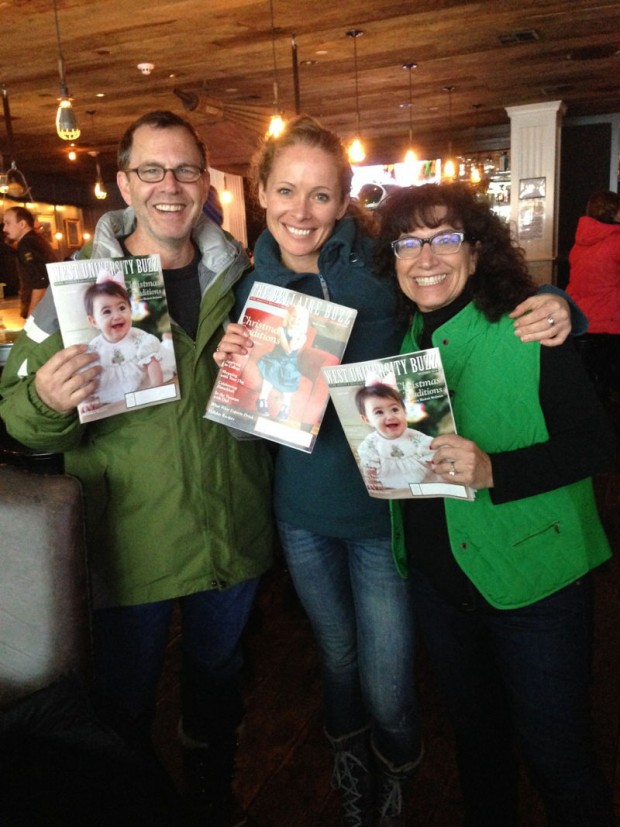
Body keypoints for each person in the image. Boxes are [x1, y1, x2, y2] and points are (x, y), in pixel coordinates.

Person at [214, 114, 576, 827]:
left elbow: (482, 298)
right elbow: (245, 402)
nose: (301, 210)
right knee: (338, 657)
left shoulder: (381, 268)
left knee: (386, 678)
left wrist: (563, 308)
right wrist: (231, 362)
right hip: (301, 513)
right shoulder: (246, 286)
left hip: (387, 512)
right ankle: (354, 767)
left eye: (322, 195)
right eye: (286, 190)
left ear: (345, 199)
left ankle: (399, 766)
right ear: (260, 193)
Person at [0, 110, 274, 827]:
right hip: (130, 542)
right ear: (124, 182)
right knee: (124, 700)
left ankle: (212, 790)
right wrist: (43, 396)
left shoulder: (243, 276)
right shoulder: (71, 294)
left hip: (230, 529)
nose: (170, 185)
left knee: (218, 678)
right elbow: (15, 419)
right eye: (150, 169)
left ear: (205, 180)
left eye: (185, 168)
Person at [375, 182, 616, 827]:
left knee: (557, 758)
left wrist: (494, 469)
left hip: (534, 583)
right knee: (478, 748)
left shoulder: (531, 326)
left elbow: (596, 443)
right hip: (439, 582)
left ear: (476, 253)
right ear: (393, 260)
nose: (427, 258)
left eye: (445, 238)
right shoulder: (401, 345)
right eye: (409, 243)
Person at [567, 189, 620, 404]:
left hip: (580, 323)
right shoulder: (616, 242)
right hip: (610, 325)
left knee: (592, 390)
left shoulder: (580, 243)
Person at [83, 278, 164, 407]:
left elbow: (152, 362)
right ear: (94, 321)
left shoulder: (138, 337)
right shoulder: (95, 348)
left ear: (130, 310)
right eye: (107, 311)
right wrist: (88, 401)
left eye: (122, 308)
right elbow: (87, 377)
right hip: (109, 397)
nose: (117, 316)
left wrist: (156, 387)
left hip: (141, 389)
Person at [354, 381, 441, 493]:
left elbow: (429, 452)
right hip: (389, 484)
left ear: (404, 411)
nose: (390, 416)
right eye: (379, 412)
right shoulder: (371, 443)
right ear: (367, 420)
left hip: (421, 479)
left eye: (395, 409)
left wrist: (434, 466)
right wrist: (371, 480)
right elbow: (369, 465)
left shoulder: (413, 436)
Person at [256, 303, 309, 419]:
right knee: (272, 368)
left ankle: (285, 406)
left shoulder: (303, 336)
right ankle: (262, 399)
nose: (296, 320)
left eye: (300, 319)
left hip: (290, 362)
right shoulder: (280, 329)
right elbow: (287, 349)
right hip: (275, 357)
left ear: (304, 322)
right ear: (289, 316)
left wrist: (297, 335)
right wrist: (295, 338)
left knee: (289, 374)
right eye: (294, 316)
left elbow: (292, 350)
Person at [2, 205, 56, 318]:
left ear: (22, 224)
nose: (4, 229)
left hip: (42, 312)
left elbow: (40, 280)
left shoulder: (26, 244)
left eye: (8, 223)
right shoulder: (36, 240)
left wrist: (33, 314)